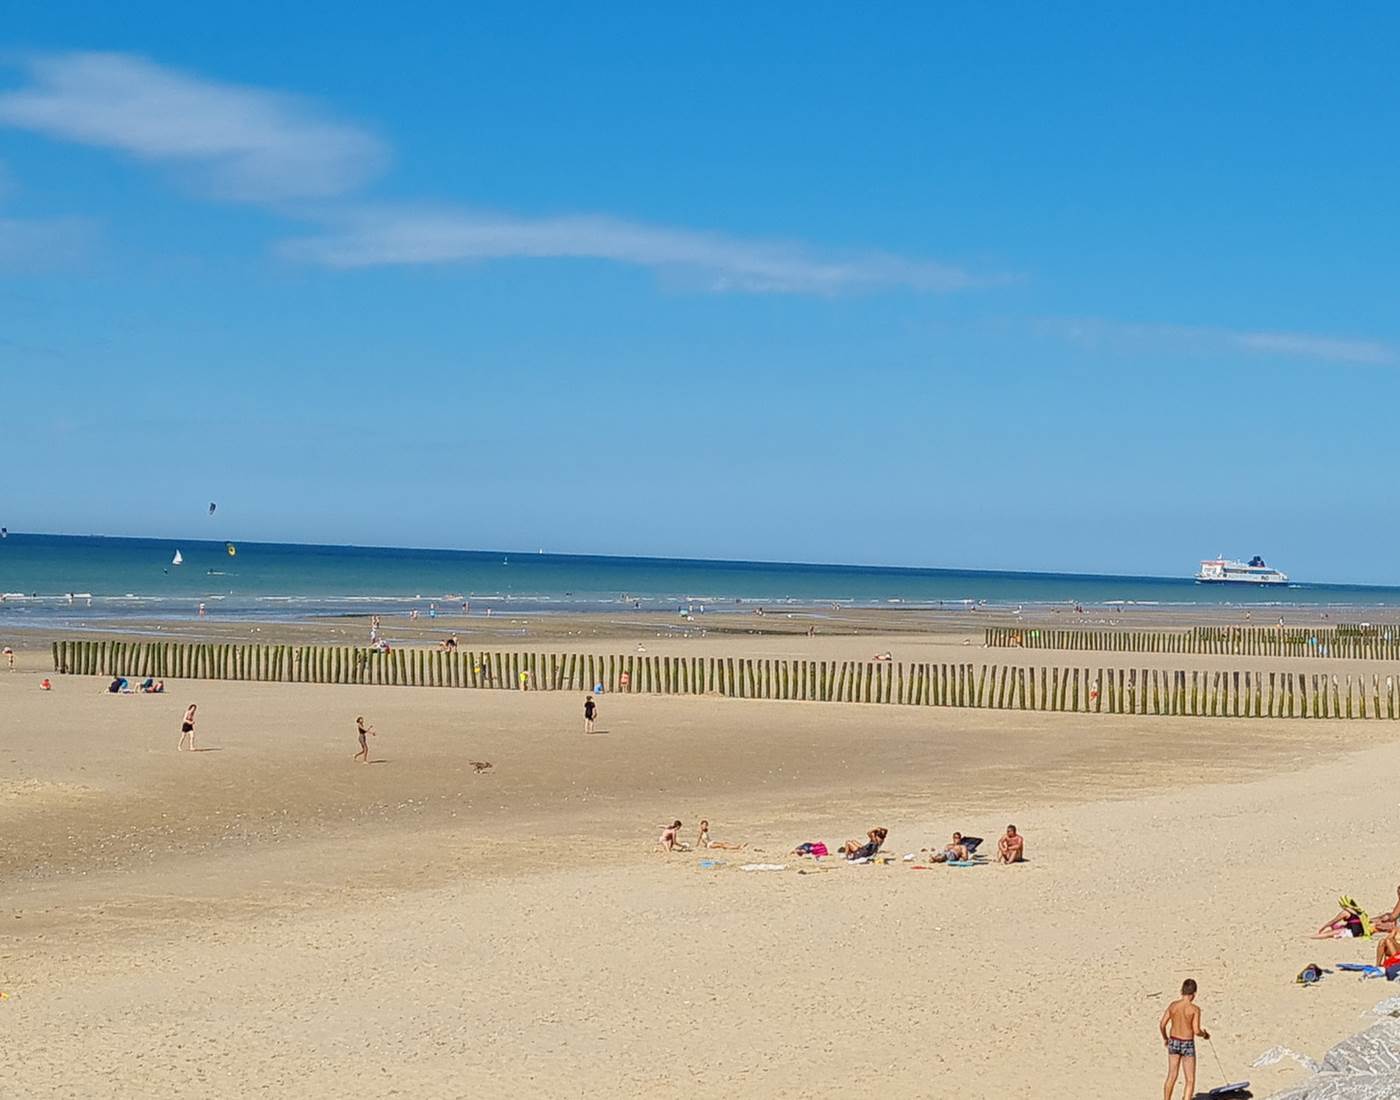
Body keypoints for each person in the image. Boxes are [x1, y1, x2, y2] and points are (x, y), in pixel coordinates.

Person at [1159, 979, 1209, 1100]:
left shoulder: (1173, 1006)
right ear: (1194, 994)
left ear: (1182, 991)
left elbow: (1162, 1024)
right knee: (1190, 1079)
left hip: (1174, 1040)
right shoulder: (1194, 1009)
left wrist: (1165, 1038)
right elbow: (1196, 1031)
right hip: (1187, 1043)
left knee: (1171, 1075)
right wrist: (1205, 1034)